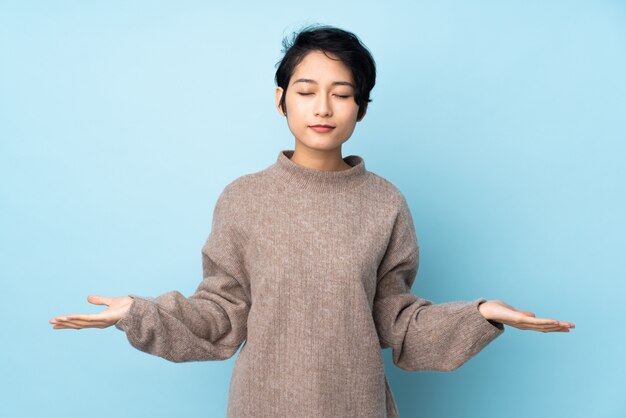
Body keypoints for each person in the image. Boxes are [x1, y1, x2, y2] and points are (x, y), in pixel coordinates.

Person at [49, 24, 575, 417]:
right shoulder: (244, 199)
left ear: (361, 108)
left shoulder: (384, 202)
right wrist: (136, 313)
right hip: (263, 404)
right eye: (305, 91)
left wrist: (481, 314)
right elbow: (221, 316)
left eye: (342, 94)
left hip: (358, 405)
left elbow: (398, 321)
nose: (323, 106)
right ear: (281, 101)